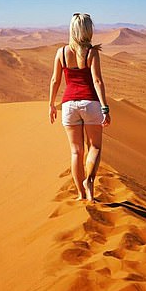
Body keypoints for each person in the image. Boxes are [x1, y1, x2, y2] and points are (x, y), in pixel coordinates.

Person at [49, 13, 111, 202]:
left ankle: (80, 194)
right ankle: (89, 182)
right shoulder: (91, 53)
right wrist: (105, 108)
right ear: (87, 30)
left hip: (68, 105)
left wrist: (51, 104)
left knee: (76, 151)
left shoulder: (61, 53)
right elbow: (97, 80)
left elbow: (55, 80)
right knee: (95, 147)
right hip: (90, 103)